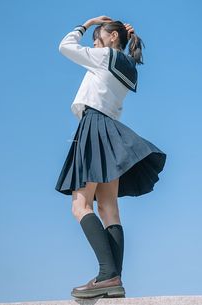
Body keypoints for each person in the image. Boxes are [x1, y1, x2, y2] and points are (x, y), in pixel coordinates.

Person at [55, 15, 167, 299]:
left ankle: (107, 275)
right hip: (110, 129)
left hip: (94, 126)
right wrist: (121, 36)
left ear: (112, 38)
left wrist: (86, 22)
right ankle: (114, 280)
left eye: (98, 36)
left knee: (80, 206)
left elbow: (65, 46)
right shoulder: (129, 66)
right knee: (108, 209)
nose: (94, 42)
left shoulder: (104, 56)